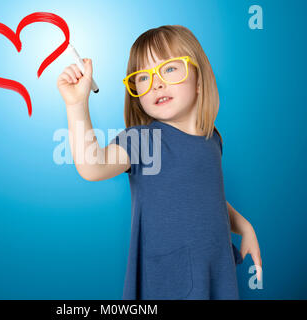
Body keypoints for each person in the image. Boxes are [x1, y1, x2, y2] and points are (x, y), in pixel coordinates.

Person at [57, 25, 262, 300]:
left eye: (169, 69)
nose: (156, 83)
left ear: (199, 80)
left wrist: (244, 226)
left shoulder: (213, 140)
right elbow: (92, 166)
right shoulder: (144, 141)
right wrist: (76, 105)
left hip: (214, 274)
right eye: (143, 77)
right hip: (169, 282)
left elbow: (204, 196)